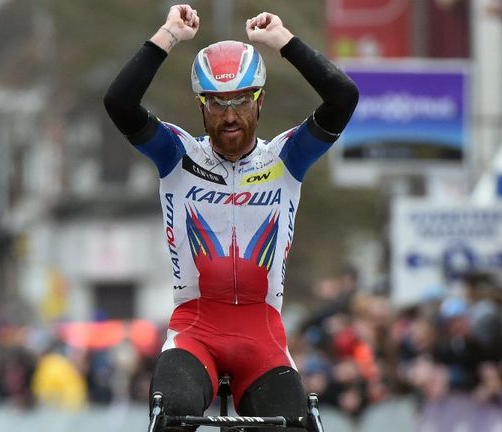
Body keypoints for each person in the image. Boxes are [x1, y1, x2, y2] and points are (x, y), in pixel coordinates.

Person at [104, 4, 358, 430]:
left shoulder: (287, 158)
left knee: (297, 424)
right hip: (196, 330)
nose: (230, 116)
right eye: (218, 104)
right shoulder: (177, 155)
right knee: (173, 417)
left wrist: (283, 42)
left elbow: (343, 97)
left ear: (260, 101)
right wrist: (168, 36)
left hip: (263, 335)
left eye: (241, 101)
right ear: (202, 105)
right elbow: (120, 102)